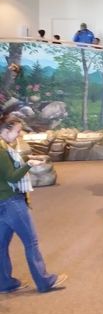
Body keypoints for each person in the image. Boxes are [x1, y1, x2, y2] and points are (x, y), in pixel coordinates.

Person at [0, 113, 67, 293]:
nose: (19, 135)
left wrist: (25, 161)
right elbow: (12, 177)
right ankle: (45, 281)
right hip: (12, 202)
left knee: (1, 245)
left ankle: (4, 283)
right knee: (31, 242)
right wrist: (28, 164)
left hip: (1, 203)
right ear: (5, 130)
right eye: (17, 131)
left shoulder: (5, 149)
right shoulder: (2, 151)